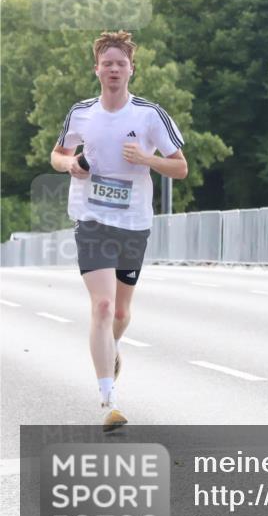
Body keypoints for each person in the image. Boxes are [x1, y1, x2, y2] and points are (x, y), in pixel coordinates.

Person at [49, 30, 188, 432]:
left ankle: (113, 346)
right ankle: (108, 400)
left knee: (122, 313)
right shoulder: (81, 113)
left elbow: (180, 167)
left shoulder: (149, 115)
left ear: (131, 70)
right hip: (91, 219)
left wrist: (147, 158)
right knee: (103, 307)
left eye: (120, 63)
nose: (113, 69)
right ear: (97, 69)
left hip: (133, 222)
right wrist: (70, 164)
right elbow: (58, 154)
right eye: (106, 63)